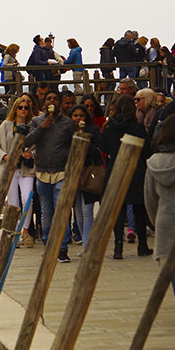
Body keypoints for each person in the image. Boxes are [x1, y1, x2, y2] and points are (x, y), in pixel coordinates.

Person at [26, 90, 80, 262]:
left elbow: (75, 146)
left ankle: (62, 247)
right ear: (44, 101)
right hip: (42, 172)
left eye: (55, 99)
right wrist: (43, 127)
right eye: (49, 98)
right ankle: (48, 245)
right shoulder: (36, 121)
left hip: (62, 172)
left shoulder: (68, 123)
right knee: (46, 212)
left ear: (60, 102)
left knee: (61, 211)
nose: (52, 101)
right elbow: (27, 141)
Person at [143, 114, 175, 325]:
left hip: (166, 221)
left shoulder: (153, 163)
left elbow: (150, 198)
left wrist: (156, 220)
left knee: (174, 269)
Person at [103, 94, 151, 259]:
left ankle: (118, 247)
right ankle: (142, 245)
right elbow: (146, 150)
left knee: (118, 210)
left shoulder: (109, 128)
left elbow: (105, 148)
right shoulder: (137, 128)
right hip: (135, 170)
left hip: (116, 170)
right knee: (139, 209)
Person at [0, 94, 39, 247]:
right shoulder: (6, 125)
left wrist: (31, 154)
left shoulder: (33, 126)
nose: (23, 110)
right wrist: (5, 156)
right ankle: (13, 232)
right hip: (9, 168)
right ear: (15, 109)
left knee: (27, 198)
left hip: (26, 169)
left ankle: (25, 230)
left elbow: (39, 147)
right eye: (20, 107)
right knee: (13, 202)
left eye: (26, 108)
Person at [68, 104, 104, 248]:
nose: (78, 118)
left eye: (81, 116)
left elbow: (97, 151)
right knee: (77, 209)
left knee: (87, 209)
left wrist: (83, 137)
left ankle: (87, 244)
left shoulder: (93, 130)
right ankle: (84, 239)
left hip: (87, 172)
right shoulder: (67, 130)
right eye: (75, 116)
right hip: (72, 172)